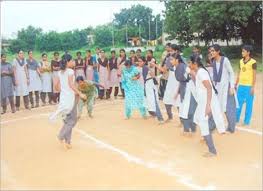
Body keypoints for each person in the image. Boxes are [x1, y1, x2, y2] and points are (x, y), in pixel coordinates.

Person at [189, 55, 225, 157]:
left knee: (203, 123)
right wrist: (192, 74)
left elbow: (209, 88)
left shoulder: (201, 72)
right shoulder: (199, 72)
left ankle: (212, 151)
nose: (188, 64)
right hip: (203, 102)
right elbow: (201, 85)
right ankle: (209, 131)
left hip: (206, 102)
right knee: (200, 120)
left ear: (195, 64)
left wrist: (208, 106)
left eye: (189, 63)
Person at [49, 53, 86, 149]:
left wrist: (63, 90)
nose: (74, 62)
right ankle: (61, 135)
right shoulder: (70, 71)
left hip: (64, 97)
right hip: (70, 97)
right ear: (68, 62)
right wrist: (80, 93)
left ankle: (68, 142)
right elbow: (71, 84)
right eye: (72, 60)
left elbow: (56, 87)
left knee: (68, 120)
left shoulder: (60, 72)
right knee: (72, 120)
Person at [210, 44, 237, 133]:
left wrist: (232, 87)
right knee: (216, 107)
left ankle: (231, 128)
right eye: (211, 51)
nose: (211, 52)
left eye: (213, 51)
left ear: (218, 51)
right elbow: (213, 75)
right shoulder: (213, 61)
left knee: (227, 109)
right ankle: (213, 126)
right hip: (218, 88)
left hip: (226, 88)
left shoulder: (225, 60)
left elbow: (231, 73)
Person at [172, 54, 197, 136]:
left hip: (189, 88)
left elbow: (193, 74)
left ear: (177, 60)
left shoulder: (183, 66)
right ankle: (187, 129)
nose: (170, 61)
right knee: (184, 110)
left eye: (172, 59)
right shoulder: (176, 67)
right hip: (183, 88)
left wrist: (198, 85)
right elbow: (180, 81)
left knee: (188, 111)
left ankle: (191, 129)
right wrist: (177, 92)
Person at [155, 44, 180, 122]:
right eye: (170, 50)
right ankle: (170, 117)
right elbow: (165, 69)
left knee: (179, 101)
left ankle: (182, 121)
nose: (170, 52)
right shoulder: (169, 58)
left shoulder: (180, 59)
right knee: (166, 100)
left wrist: (155, 65)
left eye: (172, 50)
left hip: (178, 80)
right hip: (171, 79)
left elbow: (164, 70)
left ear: (176, 51)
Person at [235, 45, 257, 126]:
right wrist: (236, 83)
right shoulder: (240, 61)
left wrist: (252, 87)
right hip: (241, 86)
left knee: (249, 104)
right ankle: (236, 119)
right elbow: (239, 73)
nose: (242, 52)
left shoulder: (253, 62)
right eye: (242, 51)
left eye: (244, 51)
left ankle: (246, 121)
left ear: (248, 52)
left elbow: (254, 76)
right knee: (238, 103)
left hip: (248, 86)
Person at [143, 56, 164, 124]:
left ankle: (160, 118)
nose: (152, 63)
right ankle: (152, 113)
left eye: (153, 62)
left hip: (151, 85)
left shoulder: (148, 68)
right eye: (151, 62)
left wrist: (156, 79)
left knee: (154, 101)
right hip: (147, 85)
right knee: (147, 100)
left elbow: (154, 78)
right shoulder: (145, 68)